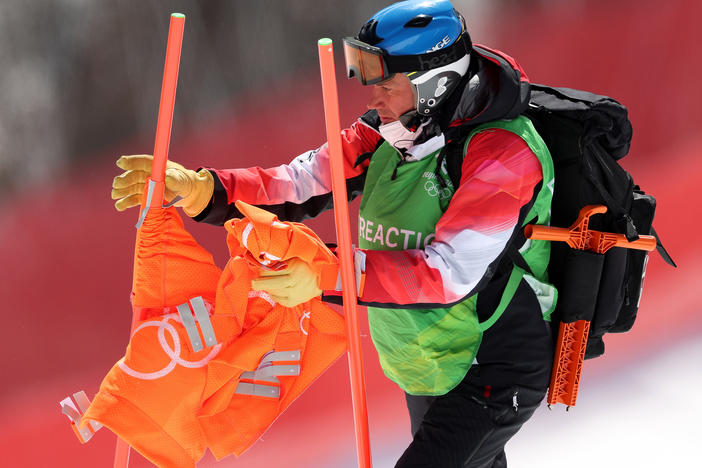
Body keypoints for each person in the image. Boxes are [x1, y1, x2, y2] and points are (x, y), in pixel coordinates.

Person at [111, 1, 557, 466]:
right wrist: (207, 188)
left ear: (435, 85)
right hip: (430, 361)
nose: (373, 99)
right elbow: (300, 183)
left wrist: (325, 273)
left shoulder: (502, 155)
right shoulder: (393, 133)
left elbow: (445, 274)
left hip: (492, 361)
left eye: (387, 84)